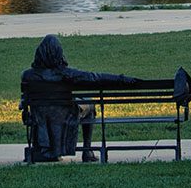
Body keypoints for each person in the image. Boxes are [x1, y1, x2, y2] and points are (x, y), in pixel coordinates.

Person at [20, 34, 139, 163]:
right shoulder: (65, 73)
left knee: (73, 107)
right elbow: (95, 77)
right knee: (90, 106)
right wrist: (122, 79)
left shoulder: (28, 76)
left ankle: (47, 150)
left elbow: (25, 100)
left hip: (41, 116)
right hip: (66, 116)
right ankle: (87, 150)